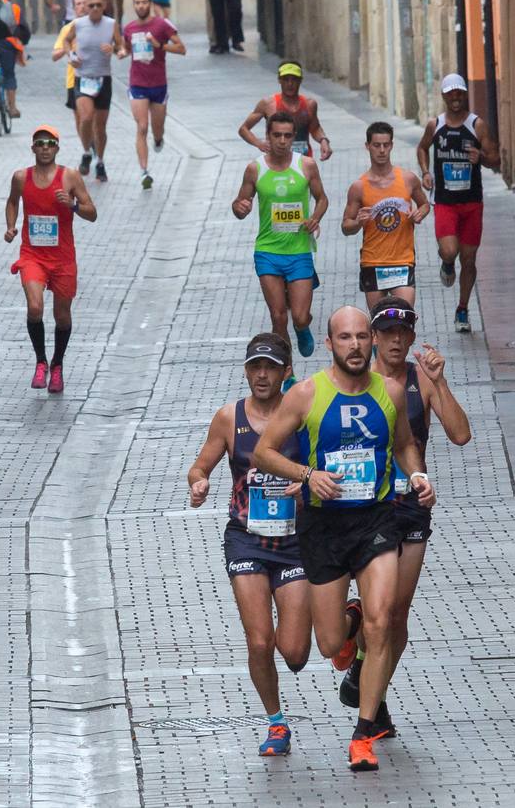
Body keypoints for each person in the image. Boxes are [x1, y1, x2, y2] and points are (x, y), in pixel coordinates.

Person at [253, 306, 436, 772]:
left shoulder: (390, 391)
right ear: (330, 343)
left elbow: (402, 444)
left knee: (382, 622)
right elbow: (264, 452)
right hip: (323, 528)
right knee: (332, 641)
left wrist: (416, 474)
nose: (355, 345)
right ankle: (346, 627)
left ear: (370, 342)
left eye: (361, 337)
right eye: (345, 338)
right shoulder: (306, 395)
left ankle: (363, 733)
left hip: (376, 521)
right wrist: (307, 474)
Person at [339, 296, 470, 734]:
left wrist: (441, 382)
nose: (396, 340)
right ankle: (366, 682)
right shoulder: (360, 380)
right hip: (365, 509)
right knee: (380, 611)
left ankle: (368, 691)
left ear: (412, 337)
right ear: (373, 337)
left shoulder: (421, 379)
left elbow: (460, 434)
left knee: (396, 616)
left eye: (404, 333)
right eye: (387, 332)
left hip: (412, 508)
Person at [187, 333, 311, 757]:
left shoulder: (302, 413)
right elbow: (200, 464)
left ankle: (339, 625)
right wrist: (199, 483)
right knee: (259, 641)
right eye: (255, 366)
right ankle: (276, 723)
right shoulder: (229, 417)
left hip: (295, 542)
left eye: (271, 367)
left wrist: (305, 483)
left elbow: (325, 463)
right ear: (246, 370)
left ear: (285, 372)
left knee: (294, 653)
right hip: (246, 539)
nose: (262, 375)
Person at [232, 111, 328, 386]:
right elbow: (240, 203)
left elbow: (322, 199)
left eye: (288, 136)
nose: (283, 141)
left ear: (294, 137)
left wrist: (315, 218)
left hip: (299, 253)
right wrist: (239, 208)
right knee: (278, 316)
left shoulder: (306, 165)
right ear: (268, 136)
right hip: (268, 252)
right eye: (277, 135)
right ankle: (288, 373)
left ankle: (302, 328)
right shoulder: (255, 169)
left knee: (299, 316)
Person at [4, 126, 97, 393]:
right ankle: (41, 362)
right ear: (32, 148)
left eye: (50, 143)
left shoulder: (70, 177)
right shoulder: (21, 177)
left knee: (62, 316)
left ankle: (57, 365)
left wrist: (73, 205)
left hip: (62, 258)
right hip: (32, 255)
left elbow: (92, 213)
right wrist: (11, 226)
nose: (45, 147)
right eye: (40, 143)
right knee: (35, 308)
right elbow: (12, 202)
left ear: (57, 147)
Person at [417, 73, 500, 333]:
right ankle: (446, 263)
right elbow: (422, 148)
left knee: (470, 259)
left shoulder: (477, 125)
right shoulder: (435, 125)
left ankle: (462, 309)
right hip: (445, 201)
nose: (455, 97)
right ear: (443, 96)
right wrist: (426, 172)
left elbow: (495, 158)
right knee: (451, 251)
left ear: (464, 94)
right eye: (450, 93)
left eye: (459, 92)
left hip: (472, 202)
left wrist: (481, 158)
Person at [342, 122, 429, 310]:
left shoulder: (407, 179)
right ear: (367, 146)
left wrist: (419, 213)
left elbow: (424, 204)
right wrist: (358, 222)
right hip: (373, 262)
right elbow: (346, 226)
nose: (381, 150)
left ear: (392, 145)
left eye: (386, 145)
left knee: (404, 318)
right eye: (376, 145)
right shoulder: (359, 187)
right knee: (378, 324)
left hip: (402, 261)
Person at [123, 0, 186, 189]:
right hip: (137, 83)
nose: (140, 6)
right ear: (133, 5)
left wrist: (159, 45)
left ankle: (158, 139)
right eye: (137, 3)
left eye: (144, 2)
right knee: (142, 127)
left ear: (150, 3)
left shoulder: (162, 25)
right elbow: (126, 47)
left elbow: (182, 49)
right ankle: (144, 172)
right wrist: (121, 52)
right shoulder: (129, 28)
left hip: (158, 85)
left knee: (157, 129)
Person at [62, 0, 125, 182]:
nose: (95, 8)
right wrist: (71, 56)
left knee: (100, 126)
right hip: (82, 77)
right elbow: (66, 41)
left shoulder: (111, 24)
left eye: (99, 5)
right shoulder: (78, 24)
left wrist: (115, 50)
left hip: (103, 79)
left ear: (104, 5)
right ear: (86, 7)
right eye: (91, 6)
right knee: (86, 118)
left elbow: (122, 48)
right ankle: (86, 151)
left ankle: (100, 161)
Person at [239, 60, 332, 160]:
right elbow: (244, 129)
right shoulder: (268, 104)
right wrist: (259, 144)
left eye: (294, 80)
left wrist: (323, 141)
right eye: (286, 79)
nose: (290, 84)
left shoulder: (309, 104)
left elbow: (315, 128)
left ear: (300, 80)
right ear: (279, 80)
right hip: (276, 164)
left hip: (303, 163)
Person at [51, 0, 88, 138]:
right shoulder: (67, 29)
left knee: (91, 116)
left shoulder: (97, 25)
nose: (82, 6)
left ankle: (95, 146)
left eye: (85, 3)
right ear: (73, 8)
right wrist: (68, 48)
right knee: (79, 117)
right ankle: (87, 148)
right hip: (73, 79)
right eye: (78, 4)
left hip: (94, 76)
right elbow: (54, 56)